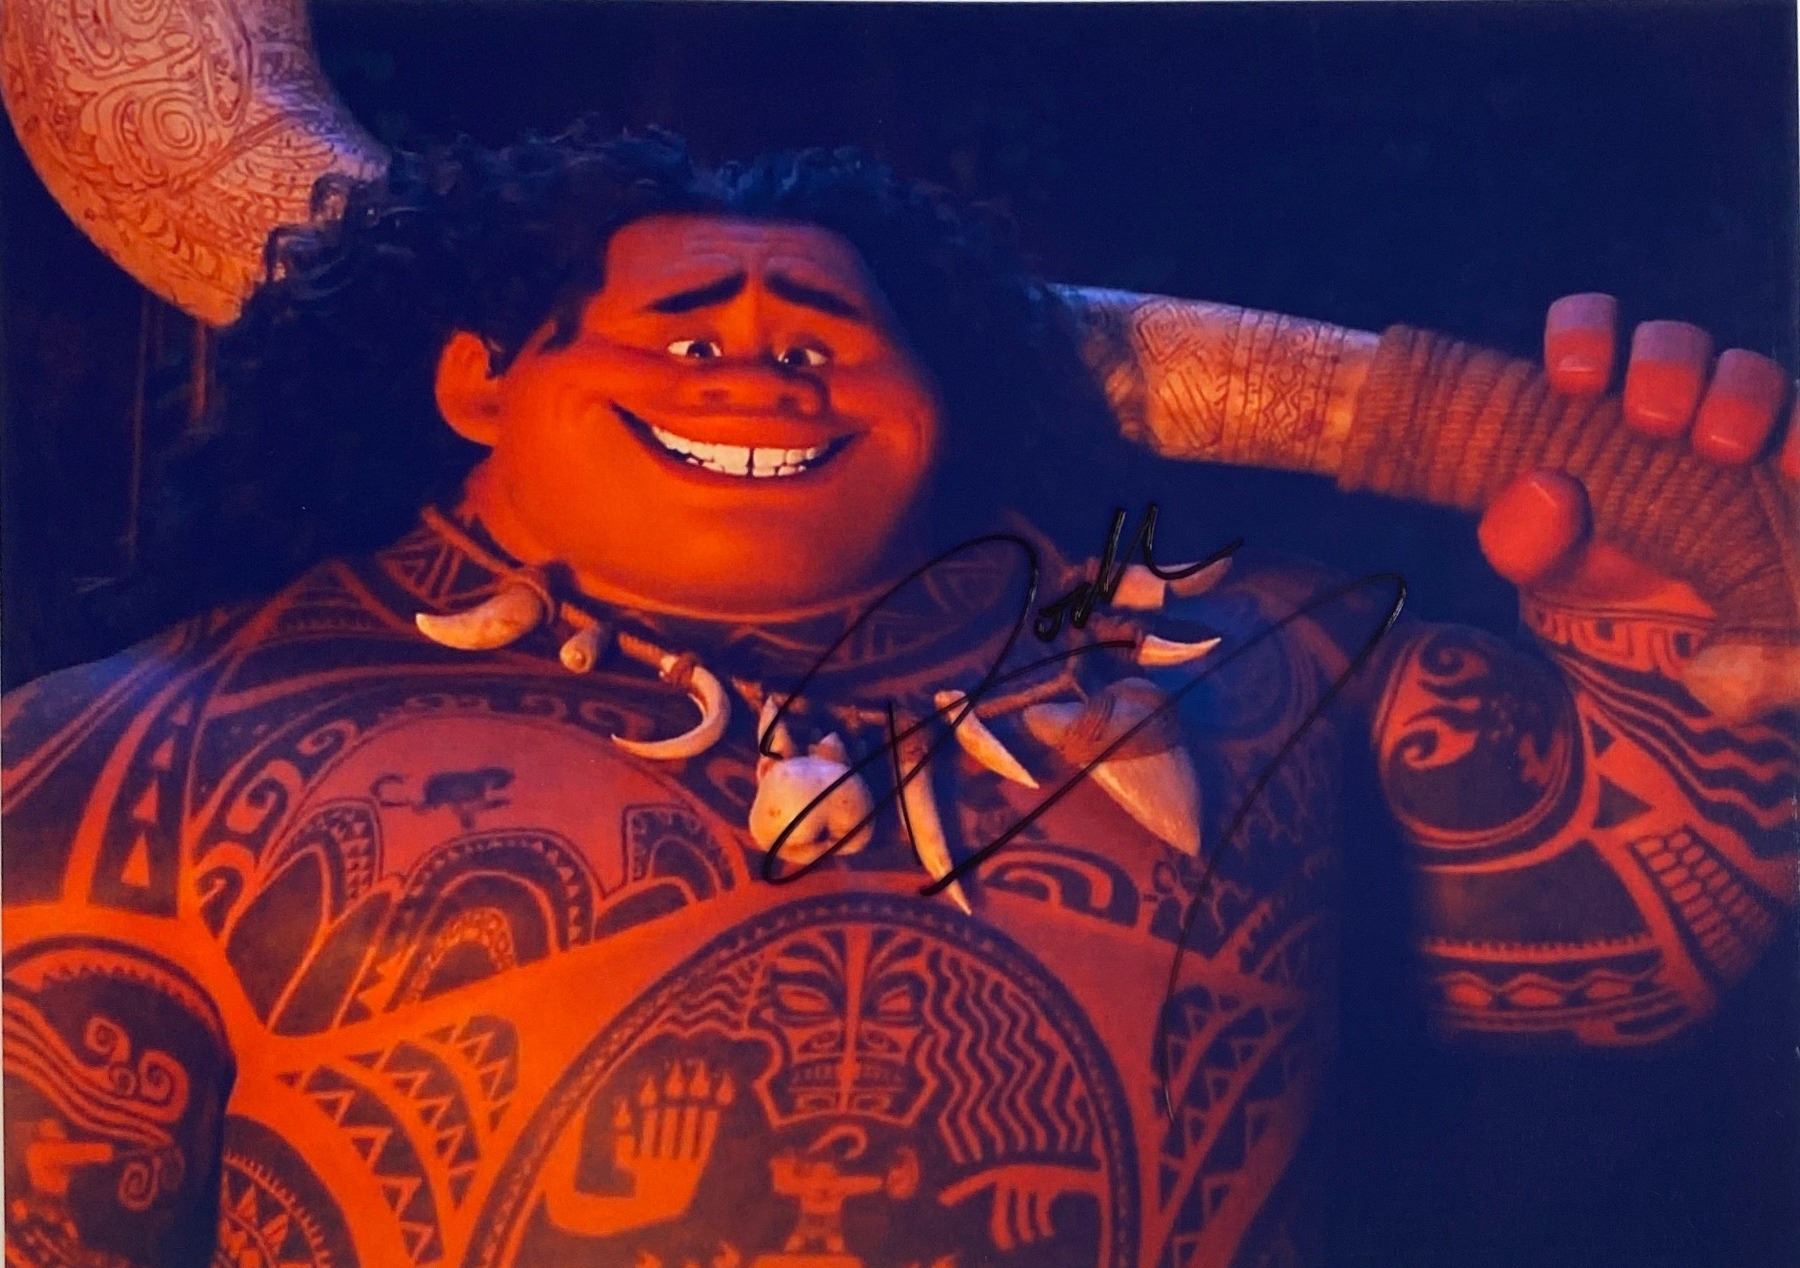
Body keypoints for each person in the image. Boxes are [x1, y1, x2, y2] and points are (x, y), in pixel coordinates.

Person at [2, 12, 1794, 1268]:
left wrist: (1686, 620)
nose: (762, 372)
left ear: (942, 406)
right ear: (478, 381)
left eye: (825, 337)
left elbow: (1636, 947)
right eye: (685, 331)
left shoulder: (1260, 667)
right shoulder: (132, 763)